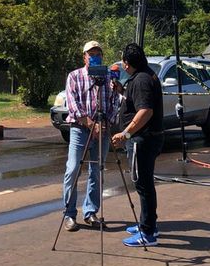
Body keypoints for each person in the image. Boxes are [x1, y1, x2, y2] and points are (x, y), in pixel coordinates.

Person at [62, 41, 119, 231]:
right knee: (73, 169)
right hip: (80, 128)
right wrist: (88, 122)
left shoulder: (109, 76)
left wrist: (106, 122)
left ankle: (91, 212)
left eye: (98, 53)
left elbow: (114, 102)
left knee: (97, 171)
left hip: (102, 129)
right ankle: (69, 214)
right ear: (84, 57)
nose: (94, 56)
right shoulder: (75, 76)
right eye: (91, 53)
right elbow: (72, 103)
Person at [111, 42, 164, 247]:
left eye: (123, 60)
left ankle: (148, 233)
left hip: (144, 140)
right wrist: (122, 90)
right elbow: (137, 102)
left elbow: (145, 111)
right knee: (144, 183)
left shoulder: (141, 80)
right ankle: (147, 224)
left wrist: (125, 133)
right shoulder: (143, 75)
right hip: (146, 138)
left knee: (143, 185)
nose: (122, 65)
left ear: (127, 63)